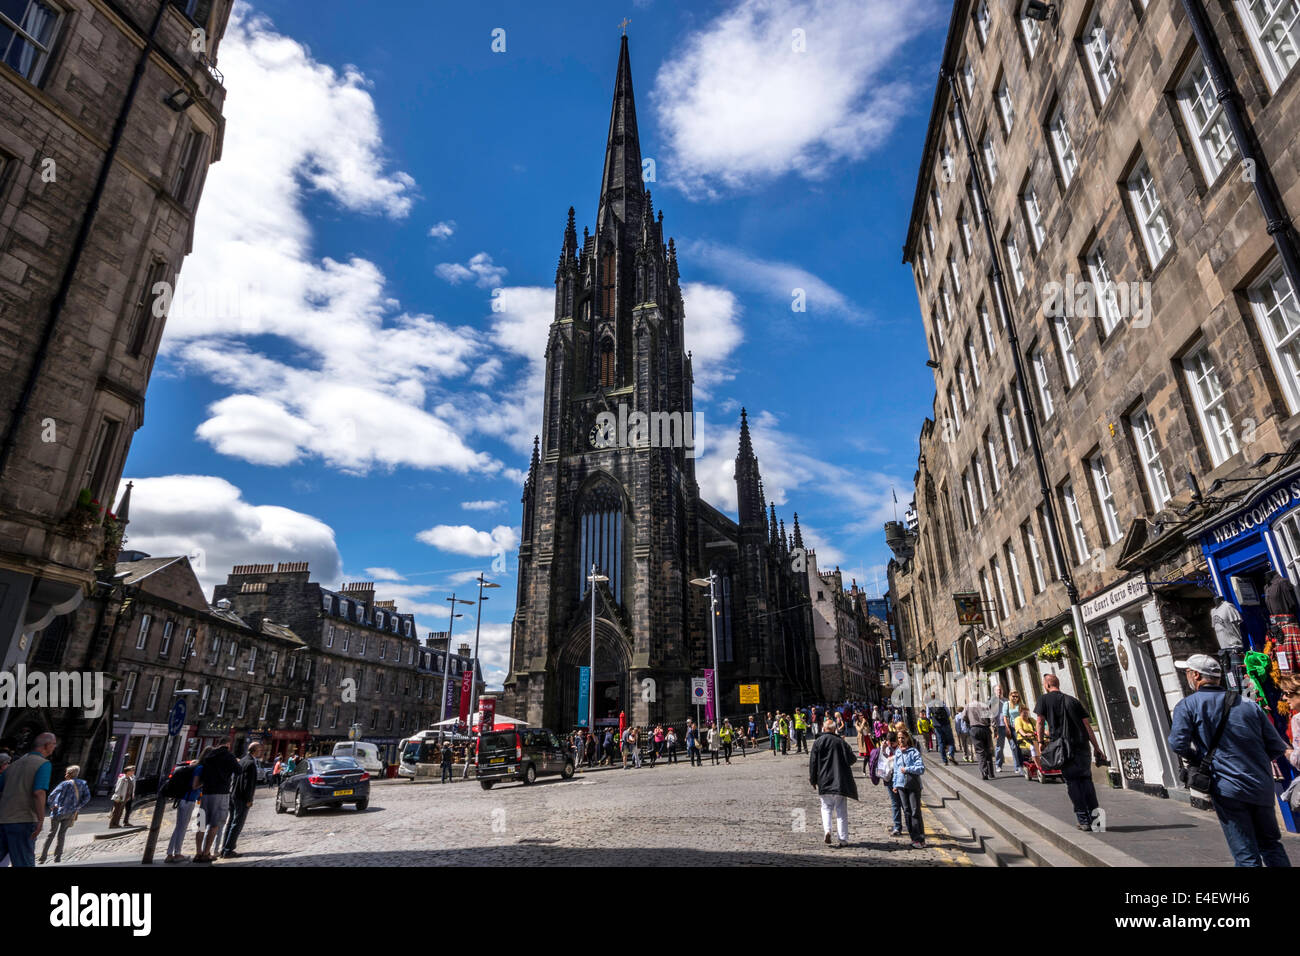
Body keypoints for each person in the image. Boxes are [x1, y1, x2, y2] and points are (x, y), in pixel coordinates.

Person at [1168, 654, 1291, 867]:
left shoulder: (1188, 705)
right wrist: (1253, 762)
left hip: (1227, 788)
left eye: (1187, 672)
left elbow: (1178, 744)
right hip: (1260, 785)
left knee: (1246, 855)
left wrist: (1201, 761)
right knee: (1271, 845)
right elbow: (1276, 746)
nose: (1188, 676)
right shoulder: (1248, 704)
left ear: (1196, 675)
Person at [1035, 673, 1107, 832]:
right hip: (1082, 746)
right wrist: (1096, 746)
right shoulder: (1073, 700)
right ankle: (1097, 820)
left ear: (1047, 685)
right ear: (1057, 684)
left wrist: (1040, 742)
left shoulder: (1044, 700)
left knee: (1073, 783)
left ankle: (1083, 820)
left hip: (1063, 747)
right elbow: (1087, 726)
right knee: (1087, 781)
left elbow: (1039, 722)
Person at [0, 732, 57, 868]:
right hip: (23, 820)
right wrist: (40, 820)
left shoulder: (14, 764)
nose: (54, 747)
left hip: (3, 819)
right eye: (54, 744)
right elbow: (39, 792)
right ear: (47, 745)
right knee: (23, 862)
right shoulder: (43, 764)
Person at [808, 719, 858, 847]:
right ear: (835, 729)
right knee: (841, 811)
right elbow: (852, 759)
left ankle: (827, 830)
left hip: (824, 781)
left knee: (826, 808)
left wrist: (813, 779)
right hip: (839, 781)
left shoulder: (818, 742)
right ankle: (842, 839)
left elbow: (813, 763)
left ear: (824, 729)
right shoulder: (840, 742)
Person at [194, 741, 240, 863]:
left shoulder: (209, 756)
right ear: (228, 745)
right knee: (215, 824)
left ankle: (198, 853)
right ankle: (206, 853)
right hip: (220, 793)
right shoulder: (229, 756)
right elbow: (239, 771)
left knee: (201, 825)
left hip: (206, 793)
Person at [38, 763, 90, 865]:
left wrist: (52, 805)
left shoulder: (64, 784)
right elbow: (87, 797)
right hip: (71, 812)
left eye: (66, 772)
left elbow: (52, 795)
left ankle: (42, 858)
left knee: (51, 834)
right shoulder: (82, 784)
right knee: (62, 835)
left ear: (69, 774)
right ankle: (57, 858)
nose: (65, 774)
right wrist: (78, 806)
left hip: (58, 812)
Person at [221, 742, 261, 858]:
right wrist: (249, 799)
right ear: (254, 750)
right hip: (242, 797)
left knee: (231, 823)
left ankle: (225, 848)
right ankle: (228, 850)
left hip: (233, 795)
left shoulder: (243, 760)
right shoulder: (251, 763)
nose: (261, 752)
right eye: (259, 750)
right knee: (237, 824)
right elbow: (248, 784)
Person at [162, 756, 202, 864]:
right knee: (182, 828)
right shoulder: (197, 773)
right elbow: (195, 787)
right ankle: (177, 854)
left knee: (179, 827)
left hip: (182, 800)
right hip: (188, 800)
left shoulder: (188, 772)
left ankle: (170, 854)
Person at [891, 729, 927, 848]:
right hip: (901, 785)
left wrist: (908, 769)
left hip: (913, 785)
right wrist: (895, 784)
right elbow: (896, 770)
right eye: (899, 738)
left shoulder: (913, 752)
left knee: (915, 811)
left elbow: (921, 768)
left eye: (903, 738)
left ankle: (920, 838)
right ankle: (914, 837)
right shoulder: (897, 752)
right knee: (907, 811)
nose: (901, 740)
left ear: (907, 738)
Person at [965, 695, 996, 779]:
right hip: (985, 729)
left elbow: (964, 717)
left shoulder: (968, 706)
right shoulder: (984, 705)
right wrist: (993, 727)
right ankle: (991, 773)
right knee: (988, 750)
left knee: (980, 751)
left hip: (974, 729)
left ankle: (984, 772)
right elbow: (991, 718)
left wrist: (970, 721)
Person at [108, 764, 136, 828]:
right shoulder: (122, 778)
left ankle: (116, 823)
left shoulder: (129, 778)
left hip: (125, 798)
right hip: (120, 797)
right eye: (131, 771)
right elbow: (117, 789)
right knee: (116, 811)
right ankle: (112, 824)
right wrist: (118, 798)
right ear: (128, 771)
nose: (133, 772)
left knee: (120, 811)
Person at [930, 700, 955, 766]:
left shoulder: (929, 705)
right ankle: (951, 755)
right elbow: (948, 713)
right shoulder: (942, 703)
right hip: (946, 724)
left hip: (937, 725)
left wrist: (934, 720)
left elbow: (928, 716)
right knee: (951, 741)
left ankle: (945, 761)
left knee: (941, 742)